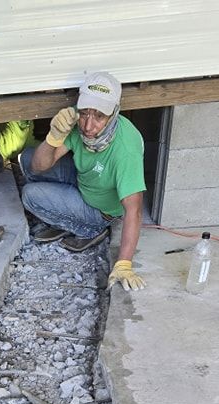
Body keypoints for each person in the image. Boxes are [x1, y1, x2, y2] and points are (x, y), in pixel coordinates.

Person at [19, 72, 146, 291]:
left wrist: (124, 263)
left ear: (114, 113)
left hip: (97, 210)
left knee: (30, 194)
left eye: (99, 116)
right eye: (85, 113)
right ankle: (67, 207)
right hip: (83, 178)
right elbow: (38, 166)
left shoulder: (126, 150)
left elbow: (133, 210)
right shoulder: (78, 126)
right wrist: (54, 135)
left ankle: (89, 229)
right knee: (29, 159)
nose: (88, 126)